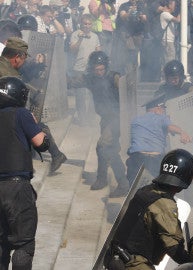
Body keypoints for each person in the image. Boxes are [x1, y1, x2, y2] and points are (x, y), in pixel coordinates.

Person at [106, 149, 193, 269]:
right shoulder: (165, 205)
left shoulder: (146, 190)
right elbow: (174, 248)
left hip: (115, 256)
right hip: (134, 263)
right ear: (187, 175)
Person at [0, 76, 49, 270]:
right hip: (16, 188)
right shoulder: (21, 114)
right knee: (23, 245)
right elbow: (41, 143)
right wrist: (39, 127)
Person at [0, 37, 67, 174]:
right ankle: (55, 154)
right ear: (18, 57)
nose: (23, 62)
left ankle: (55, 154)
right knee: (29, 125)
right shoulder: (8, 72)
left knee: (32, 125)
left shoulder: (5, 65)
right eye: (24, 58)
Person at [79, 50, 128, 197]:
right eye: (96, 70)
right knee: (105, 149)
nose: (99, 72)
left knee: (104, 147)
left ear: (106, 67)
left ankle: (122, 183)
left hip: (117, 119)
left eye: (102, 69)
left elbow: (126, 95)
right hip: (106, 119)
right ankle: (103, 179)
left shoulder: (115, 78)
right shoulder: (90, 78)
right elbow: (72, 82)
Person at [126, 94, 192, 185]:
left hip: (135, 159)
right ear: (158, 108)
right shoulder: (161, 118)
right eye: (163, 109)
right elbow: (170, 127)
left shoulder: (136, 120)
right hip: (153, 161)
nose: (164, 111)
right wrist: (182, 132)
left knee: (135, 191)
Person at [68, 13, 101, 126]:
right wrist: (80, 39)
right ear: (81, 24)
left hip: (91, 70)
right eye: (85, 24)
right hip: (79, 69)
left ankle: (91, 118)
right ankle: (82, 120)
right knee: (80, 95)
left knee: (93, 94)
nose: (87, 26)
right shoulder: (75, 34)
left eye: (89, 24)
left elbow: (98, 51)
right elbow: (72, 50)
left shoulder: (95, 36)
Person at [159, 0, 180, 66]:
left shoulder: (169, 15)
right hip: (168, 42)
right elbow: (178, 20)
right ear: (170, 5)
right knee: (169, 62)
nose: (175, 7)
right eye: (174, 5)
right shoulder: (165, 14)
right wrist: (182, 10)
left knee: (170, 61)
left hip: (170, 41)